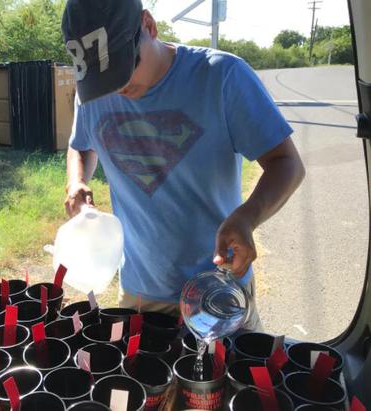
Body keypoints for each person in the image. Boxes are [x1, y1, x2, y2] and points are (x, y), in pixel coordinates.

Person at [61, 0, 305, 329]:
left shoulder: (222, 76)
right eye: (103, 81)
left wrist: (248, 216)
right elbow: (81, 146)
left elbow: (286, 163)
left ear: (149, 26)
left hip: (218, 285)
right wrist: (76, 181)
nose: (117, 87)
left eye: (123, 67)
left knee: (231, 379)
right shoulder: (94, 91)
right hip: (140, 290)